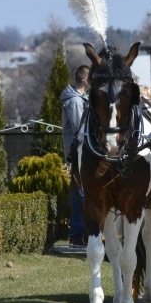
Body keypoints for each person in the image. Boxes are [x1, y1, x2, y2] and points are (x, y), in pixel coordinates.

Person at [61, 65, 90, 248]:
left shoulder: (80, 99)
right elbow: (81, 128)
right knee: (80, 194)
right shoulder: (75, 102)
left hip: (82, 153)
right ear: (86, 80)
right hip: (79, 154)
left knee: (82, 193)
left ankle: (81, 234)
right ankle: (77, 235)